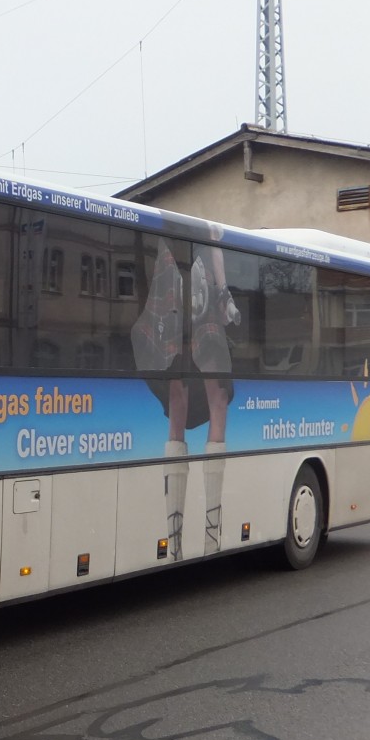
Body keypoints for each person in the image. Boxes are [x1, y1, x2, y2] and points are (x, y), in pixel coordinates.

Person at [131, 231, 239, 560]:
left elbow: (214, 240)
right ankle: (175, 542)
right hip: (173, 275)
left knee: (216, 396)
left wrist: (223, 291)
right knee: (179, 398)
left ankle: (210, 538)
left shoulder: (204, 235)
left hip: (199, 280)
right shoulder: (163, 244)